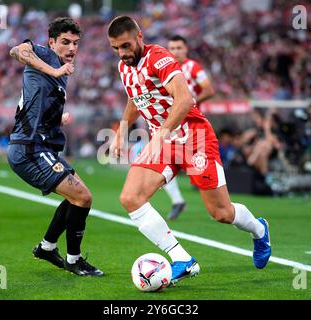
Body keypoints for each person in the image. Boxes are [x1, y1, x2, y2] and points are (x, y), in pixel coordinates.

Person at [107, 16, 271, 284]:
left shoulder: (158, 57)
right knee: (131, 197)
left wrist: (160, 133)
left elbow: (185, 99)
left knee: (222, 213)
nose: (122, 54)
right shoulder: (124, 67)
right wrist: (120, 132)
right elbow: (135, 99)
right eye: (115, 48)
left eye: (125, 46)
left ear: (139, 36)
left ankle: (259, 229)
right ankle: (182, 259)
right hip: (165, 143)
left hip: (194, 139)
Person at [6, 17, 103, 276]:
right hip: (29, 149)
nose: (72, 48)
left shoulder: (60, 71)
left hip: (40, 147)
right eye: (65, 42)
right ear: (52, 42)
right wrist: (55, 71)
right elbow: (17, 50)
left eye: (76, 43)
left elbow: (31, 104)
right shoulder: (46, 57)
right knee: (83, 197)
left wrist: (57, 117)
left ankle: (48, 247)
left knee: (78, 198)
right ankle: (74, 259)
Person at [162, 35, 216, 220]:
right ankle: (177, 200)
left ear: (186, 49)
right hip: (172, 125)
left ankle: (217, 206)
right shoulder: (165, 69)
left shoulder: (192, 67)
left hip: (192, 125)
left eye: (179, 47)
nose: (175, 51)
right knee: (163, 162)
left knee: (200, 171)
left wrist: (190, 102)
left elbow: (209, 89)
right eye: (172, 48)